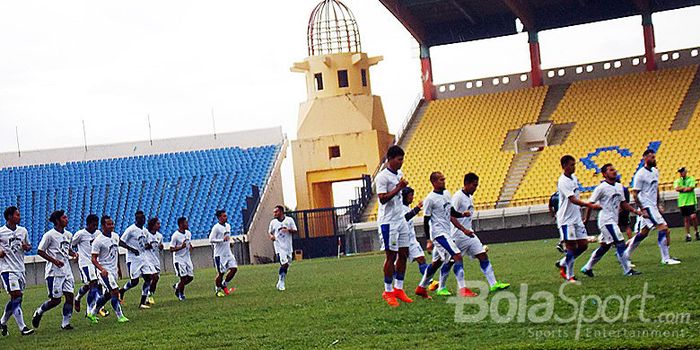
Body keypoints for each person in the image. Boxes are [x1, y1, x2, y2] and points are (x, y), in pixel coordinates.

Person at [415, 171, 477, 299]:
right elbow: (426, 221)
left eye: (444, 179)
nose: (444, 182)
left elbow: (451, 211)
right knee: (457, 256)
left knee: (437, 262)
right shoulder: (430, 199)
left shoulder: (447, 194)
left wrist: (462, 215)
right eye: (441, 180)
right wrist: (428, 240)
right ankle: (463, 289)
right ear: (433, 182)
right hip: (439, 234)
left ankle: (421, 287)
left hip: (447, 233)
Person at [449, 173, 510, 292]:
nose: (475, 188)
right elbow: (450, 215)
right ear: (466, 184)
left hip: (469, 234)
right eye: (474, 185)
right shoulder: (458, 197)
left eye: (477, 186)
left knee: (482, 255)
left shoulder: (469, 197)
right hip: (458, 235)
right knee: (451, 262)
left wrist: (468, 230)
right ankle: (443, 286)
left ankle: (493, 284)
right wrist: (463, 229)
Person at [580, 164, 644, 277]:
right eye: (611, 170)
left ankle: (587, 267)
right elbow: (590, 204)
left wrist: (637, 211)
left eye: (614, 169)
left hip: (613, 220)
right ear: (604, 174)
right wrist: (586, 219)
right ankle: (627, 270)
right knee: (620, 242)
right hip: (606, 220)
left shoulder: (619, 187)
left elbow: (623, 204)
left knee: (605, 246)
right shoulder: (601, 188)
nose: (614, 171)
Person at [624, 150, 681, 265]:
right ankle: (665, 258)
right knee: (664, 229)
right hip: (647, 207)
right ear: (645, 158)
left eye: (654, 157)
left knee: (643, 233)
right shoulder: (640, 174)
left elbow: (656, 189)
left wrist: (658, 204)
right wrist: (643, 209)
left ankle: (625, 255)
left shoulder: (655, 171)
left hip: (653, 206)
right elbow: (635, 194)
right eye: (651, 157)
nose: (654, 159)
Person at [375, 145, 413, 307]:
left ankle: (399, 288)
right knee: (391, 256)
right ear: (390, 159)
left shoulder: (399, 174)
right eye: (399, 159)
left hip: (400, 220)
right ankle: (388, 290)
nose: (401, 162)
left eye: (402, 159)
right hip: (388, 221)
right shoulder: (382, 177)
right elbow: (382, 199)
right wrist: (399, 187)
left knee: (404, 253)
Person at [554, 156, 600, 282]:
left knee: (583, 245)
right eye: (571, 165)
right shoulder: (562, 181)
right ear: (564, 166)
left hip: (576, 218)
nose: (574, 167)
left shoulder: (573, 178)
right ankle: (570, 276)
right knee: (571, 247)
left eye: (574, 164)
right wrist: (590, 205)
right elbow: (572, 199)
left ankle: (563, 263)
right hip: (566, 219)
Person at [32, 210, 76, 330]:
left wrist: (74, 254)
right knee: (55, 300)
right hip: (54, 272)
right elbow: (40, 251)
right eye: (64, 217)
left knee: (70, 297)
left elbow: (68, 250)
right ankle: (39, 311)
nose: (66, 219)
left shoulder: (68, 235)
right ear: (57, 220)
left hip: (67, 271)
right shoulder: (49, 235)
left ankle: (65, 323)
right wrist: (55, 261)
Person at [86, 215, 129, 324]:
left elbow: (116, 252)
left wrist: (119, 268)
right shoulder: (98, 241)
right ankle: (120, 316)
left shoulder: (115, 236)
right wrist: (102, 270)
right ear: (103, 226)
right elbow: (94, 259)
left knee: (108, 295)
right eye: (108, 224)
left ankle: (92, 312)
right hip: (104, 271)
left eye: (112, 224)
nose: (111, 226)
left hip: (113, 270)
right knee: (115, 292)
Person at [0, 206, 35, 336]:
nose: (19, 217)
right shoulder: (1, 232)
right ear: (9, 217)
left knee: (16, 298)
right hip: (7, 269)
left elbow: (28, 245)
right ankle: (23, 327)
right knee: (17, 296)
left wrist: (27, 247)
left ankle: (2, 322)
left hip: (20, 268)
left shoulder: (23, 231)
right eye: (17, 215)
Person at [400, 188, 439, 293]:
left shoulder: (407, 208)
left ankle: (430, 282)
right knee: (397, 265)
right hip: (402, 240)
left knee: (421, 259)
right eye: (410, 195)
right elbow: (405, 218)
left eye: (413, 195)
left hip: (411, 241)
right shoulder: (399, 208)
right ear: (404, 196)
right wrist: (417, 208)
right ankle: (393, 288)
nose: (412, 198)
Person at [71, 214, 108, 317]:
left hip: (95, 262)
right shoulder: (80, 234)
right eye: (93, 225)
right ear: (88, 224)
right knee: (93, 283)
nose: (95, 228)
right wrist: (75, 254)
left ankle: (77, 298)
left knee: (91, 286)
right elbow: (71, 245)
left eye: (96, 225)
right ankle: (93, 309)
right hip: (85, 263)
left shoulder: (98, 233)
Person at [118, 210, 155, 309]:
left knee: (148, 278)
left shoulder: (145, 231)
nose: (142, 220)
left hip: (143, 257)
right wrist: (131, 249)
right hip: (133, 258)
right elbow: (120, 242)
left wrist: (148, 246)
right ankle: (122, 290)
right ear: (136, 219)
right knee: (135, 281)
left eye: (143, 218)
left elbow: (144, 243)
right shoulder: (131, 229)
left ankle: (142, 302)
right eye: (139, 218)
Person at [268, 205, 298, 291]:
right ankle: (281, 282)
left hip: (288, 246)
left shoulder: (289, 220)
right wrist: (271, 236)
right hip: (279, 246)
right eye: (274, 212)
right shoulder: (273, 222)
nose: (274, 214)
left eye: (276, 212)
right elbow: (270, 232)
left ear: (281, 212)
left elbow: (295, 230)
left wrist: (288, 230)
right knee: (284, 264)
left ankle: (281, 281)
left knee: (287, 265)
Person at [209, 210, 238, 297]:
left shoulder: (228, 226)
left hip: (228, 252)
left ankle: (224, 283)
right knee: (221, 273)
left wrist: (230, 242)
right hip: (219, 255)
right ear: (219, 217)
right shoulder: (216, 228)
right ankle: (218, 290)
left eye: (226, 215)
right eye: (224, 216)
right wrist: (222, 240)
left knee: (234, 269)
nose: (226, 217)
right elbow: (211, 239)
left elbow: (227, 237)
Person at [170, 217, 194, 301]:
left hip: (187, 258)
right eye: (185, 223)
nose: (187, 224)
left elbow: (188, 242)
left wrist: (190, 246)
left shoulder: (188, 233)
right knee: (183, 278)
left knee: (190, 277)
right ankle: (181, 294)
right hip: (179, 259)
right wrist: (181, 247)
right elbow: (171, 249)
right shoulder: (175, 236)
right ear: (181, 224)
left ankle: (177, 286)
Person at [674, 167, 698, 241]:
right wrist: (685, 188)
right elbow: (677, 188)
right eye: (680, 172)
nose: (681, 173)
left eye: (682, 171)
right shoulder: (678, 180)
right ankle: (688, 234)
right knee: (686, 219)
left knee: (693, 217)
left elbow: (691, 188)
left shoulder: (691, 178)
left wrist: (682, 189)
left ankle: (696, 231)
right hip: (682, 202)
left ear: (685, 172)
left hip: (691, 201)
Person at [144, 217, 164, 305]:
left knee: (156, 279)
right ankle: (147, 296)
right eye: (157, 224)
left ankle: (150, 295)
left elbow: (159, 247)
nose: (159, 225)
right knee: (154, 277)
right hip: (148, 259)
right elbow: (141, 246)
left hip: (156, 259)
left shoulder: (159, 236)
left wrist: (161, 247)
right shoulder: (146, 235)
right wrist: (146, 246)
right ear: (152, 225)